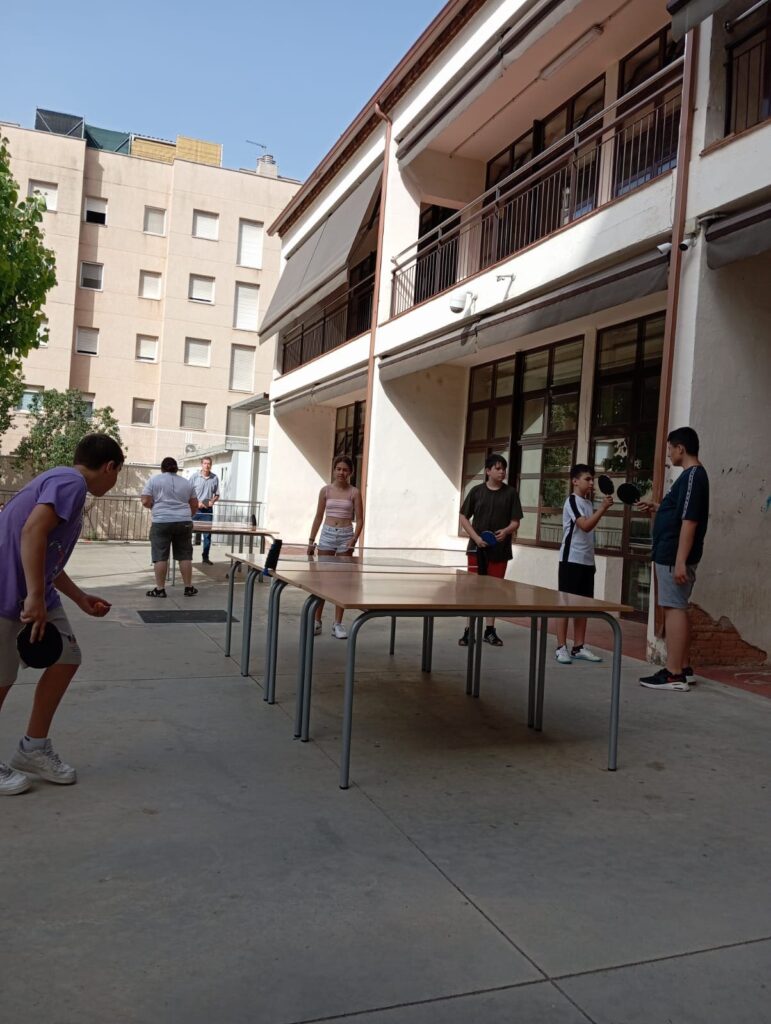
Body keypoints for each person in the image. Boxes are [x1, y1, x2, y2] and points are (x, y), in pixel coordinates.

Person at [0, 433, 124, 795]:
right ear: (110, 466)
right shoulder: (71, 482)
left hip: (34, 589)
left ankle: (33, 749)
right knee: (1, 680)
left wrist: (80, 597)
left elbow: (46, 549)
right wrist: (35, 596)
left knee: (66, 657)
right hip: (7, 589)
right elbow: (32, 531)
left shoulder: (64, 483)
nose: (115, 481)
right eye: (117, 473)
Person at [638, 426, 709, 692]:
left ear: (681, 448)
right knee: (676, 607)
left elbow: (689, 520)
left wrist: (680, 560)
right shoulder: (689, 478)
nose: (668, 454)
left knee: (674, 608)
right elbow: (679, 510)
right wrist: (659, 508)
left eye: (670, 449)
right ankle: (683, 668)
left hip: (673, 556)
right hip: (670, 553)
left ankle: (674, 673)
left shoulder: (693, 476)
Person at [458, 453, 522, 647]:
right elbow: (463, 517)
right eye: (498, 468)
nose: (502, 472)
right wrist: (476, 538)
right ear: (488, 471)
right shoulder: (476, 491)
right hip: (476, 549)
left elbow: (515, 522)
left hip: (500, 551)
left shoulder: (511, 493)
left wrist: (506, 531)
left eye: (504, 469)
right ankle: (469, 630)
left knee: (494, 591)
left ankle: (490, 630)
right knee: (473, 590)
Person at [554, 464, 614, 664]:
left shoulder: (588, 503)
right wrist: (603, 508)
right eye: (587, 479)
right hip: (570, 560)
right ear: (575, 481)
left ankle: (578, 647)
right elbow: (585, 526)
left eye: (592, 479)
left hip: (587, 561)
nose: (591, 483)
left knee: (583, 606)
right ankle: (561, 647)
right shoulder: (571, 501)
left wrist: (599, 508)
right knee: (565, 605)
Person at [306, 456, 364, 639]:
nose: (341, 472)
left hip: (346, 535)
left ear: (350, 472)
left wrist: (353, 539)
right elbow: (318, 516)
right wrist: (311, 540)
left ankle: (337, 623)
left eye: (345, 469)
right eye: (338, 469)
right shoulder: (325, 491)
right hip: (328, 534)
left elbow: (360, 519)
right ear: (333, 470)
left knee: (341, 581)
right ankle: (317, 621)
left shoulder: (354, 492)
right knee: (322, 580)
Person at [141, 457, 199, 598]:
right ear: (176, 468)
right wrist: (187, 515)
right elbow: (194, 504)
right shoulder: (187, 482)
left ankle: (160, 589)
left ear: (162, 468)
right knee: (185, 555)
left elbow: (145, 500)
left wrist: (153, 506)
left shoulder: (154, 480)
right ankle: (188, 587)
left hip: (161, 521)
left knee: (160, 556)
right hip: (183, 521)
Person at [190, 456, 220, 565]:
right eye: (205, 463)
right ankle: (188, 557)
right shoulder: (194, 477)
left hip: (207, 511)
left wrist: (212, 501)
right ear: (201, 465)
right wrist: (196, 503)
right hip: (194, 509)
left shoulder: (214, 478)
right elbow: (188, 492)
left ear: (211, 465)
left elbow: (217, 494)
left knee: (207, 535)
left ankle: (205, 557)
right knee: (189, 533)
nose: (207, 465)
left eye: (209, 464)